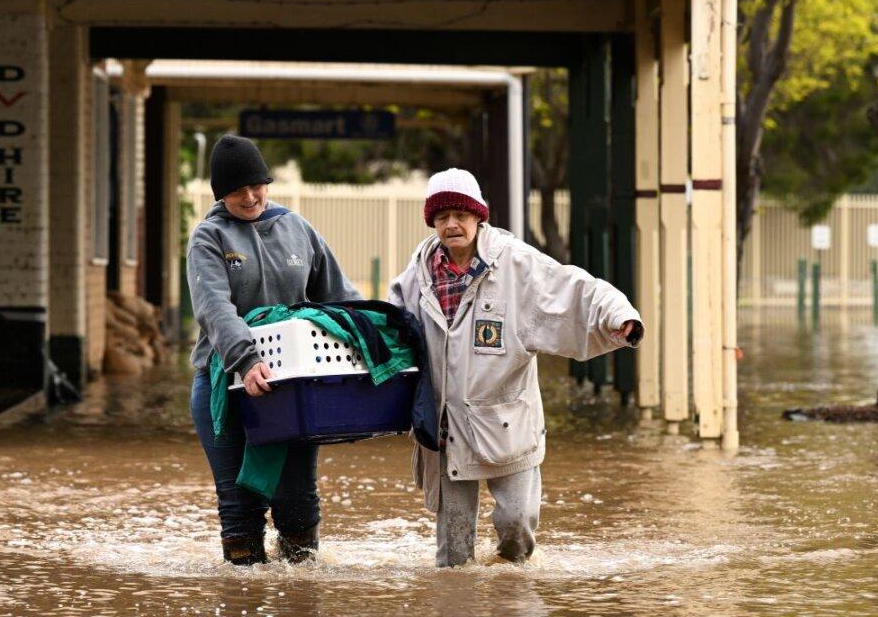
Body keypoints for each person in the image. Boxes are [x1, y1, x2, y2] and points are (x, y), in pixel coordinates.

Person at [388, 168, 643, 567]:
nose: (451, 225)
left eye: (460, 214)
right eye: (441, 217)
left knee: (517, 527)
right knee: (453, 555)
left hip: (507, 422)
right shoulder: (417, 272)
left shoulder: (516, 264)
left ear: (478, 216)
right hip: (445, 427)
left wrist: (617, 315)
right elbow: (392, 328)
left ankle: (510, 589)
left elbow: (574, 289)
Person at [187, 134, 362, 565]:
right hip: (225, 384)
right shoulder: (209, 239)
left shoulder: (297, 229)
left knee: (298, 502)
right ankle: (243, 596)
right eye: (237, 190)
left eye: (257, 185)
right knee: (240, 506)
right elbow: (215, 308)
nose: (250, 197)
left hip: (294, 388)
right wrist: (246, 361)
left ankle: (300, 594)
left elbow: (340, 299)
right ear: (220, 193)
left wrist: (374, 341)